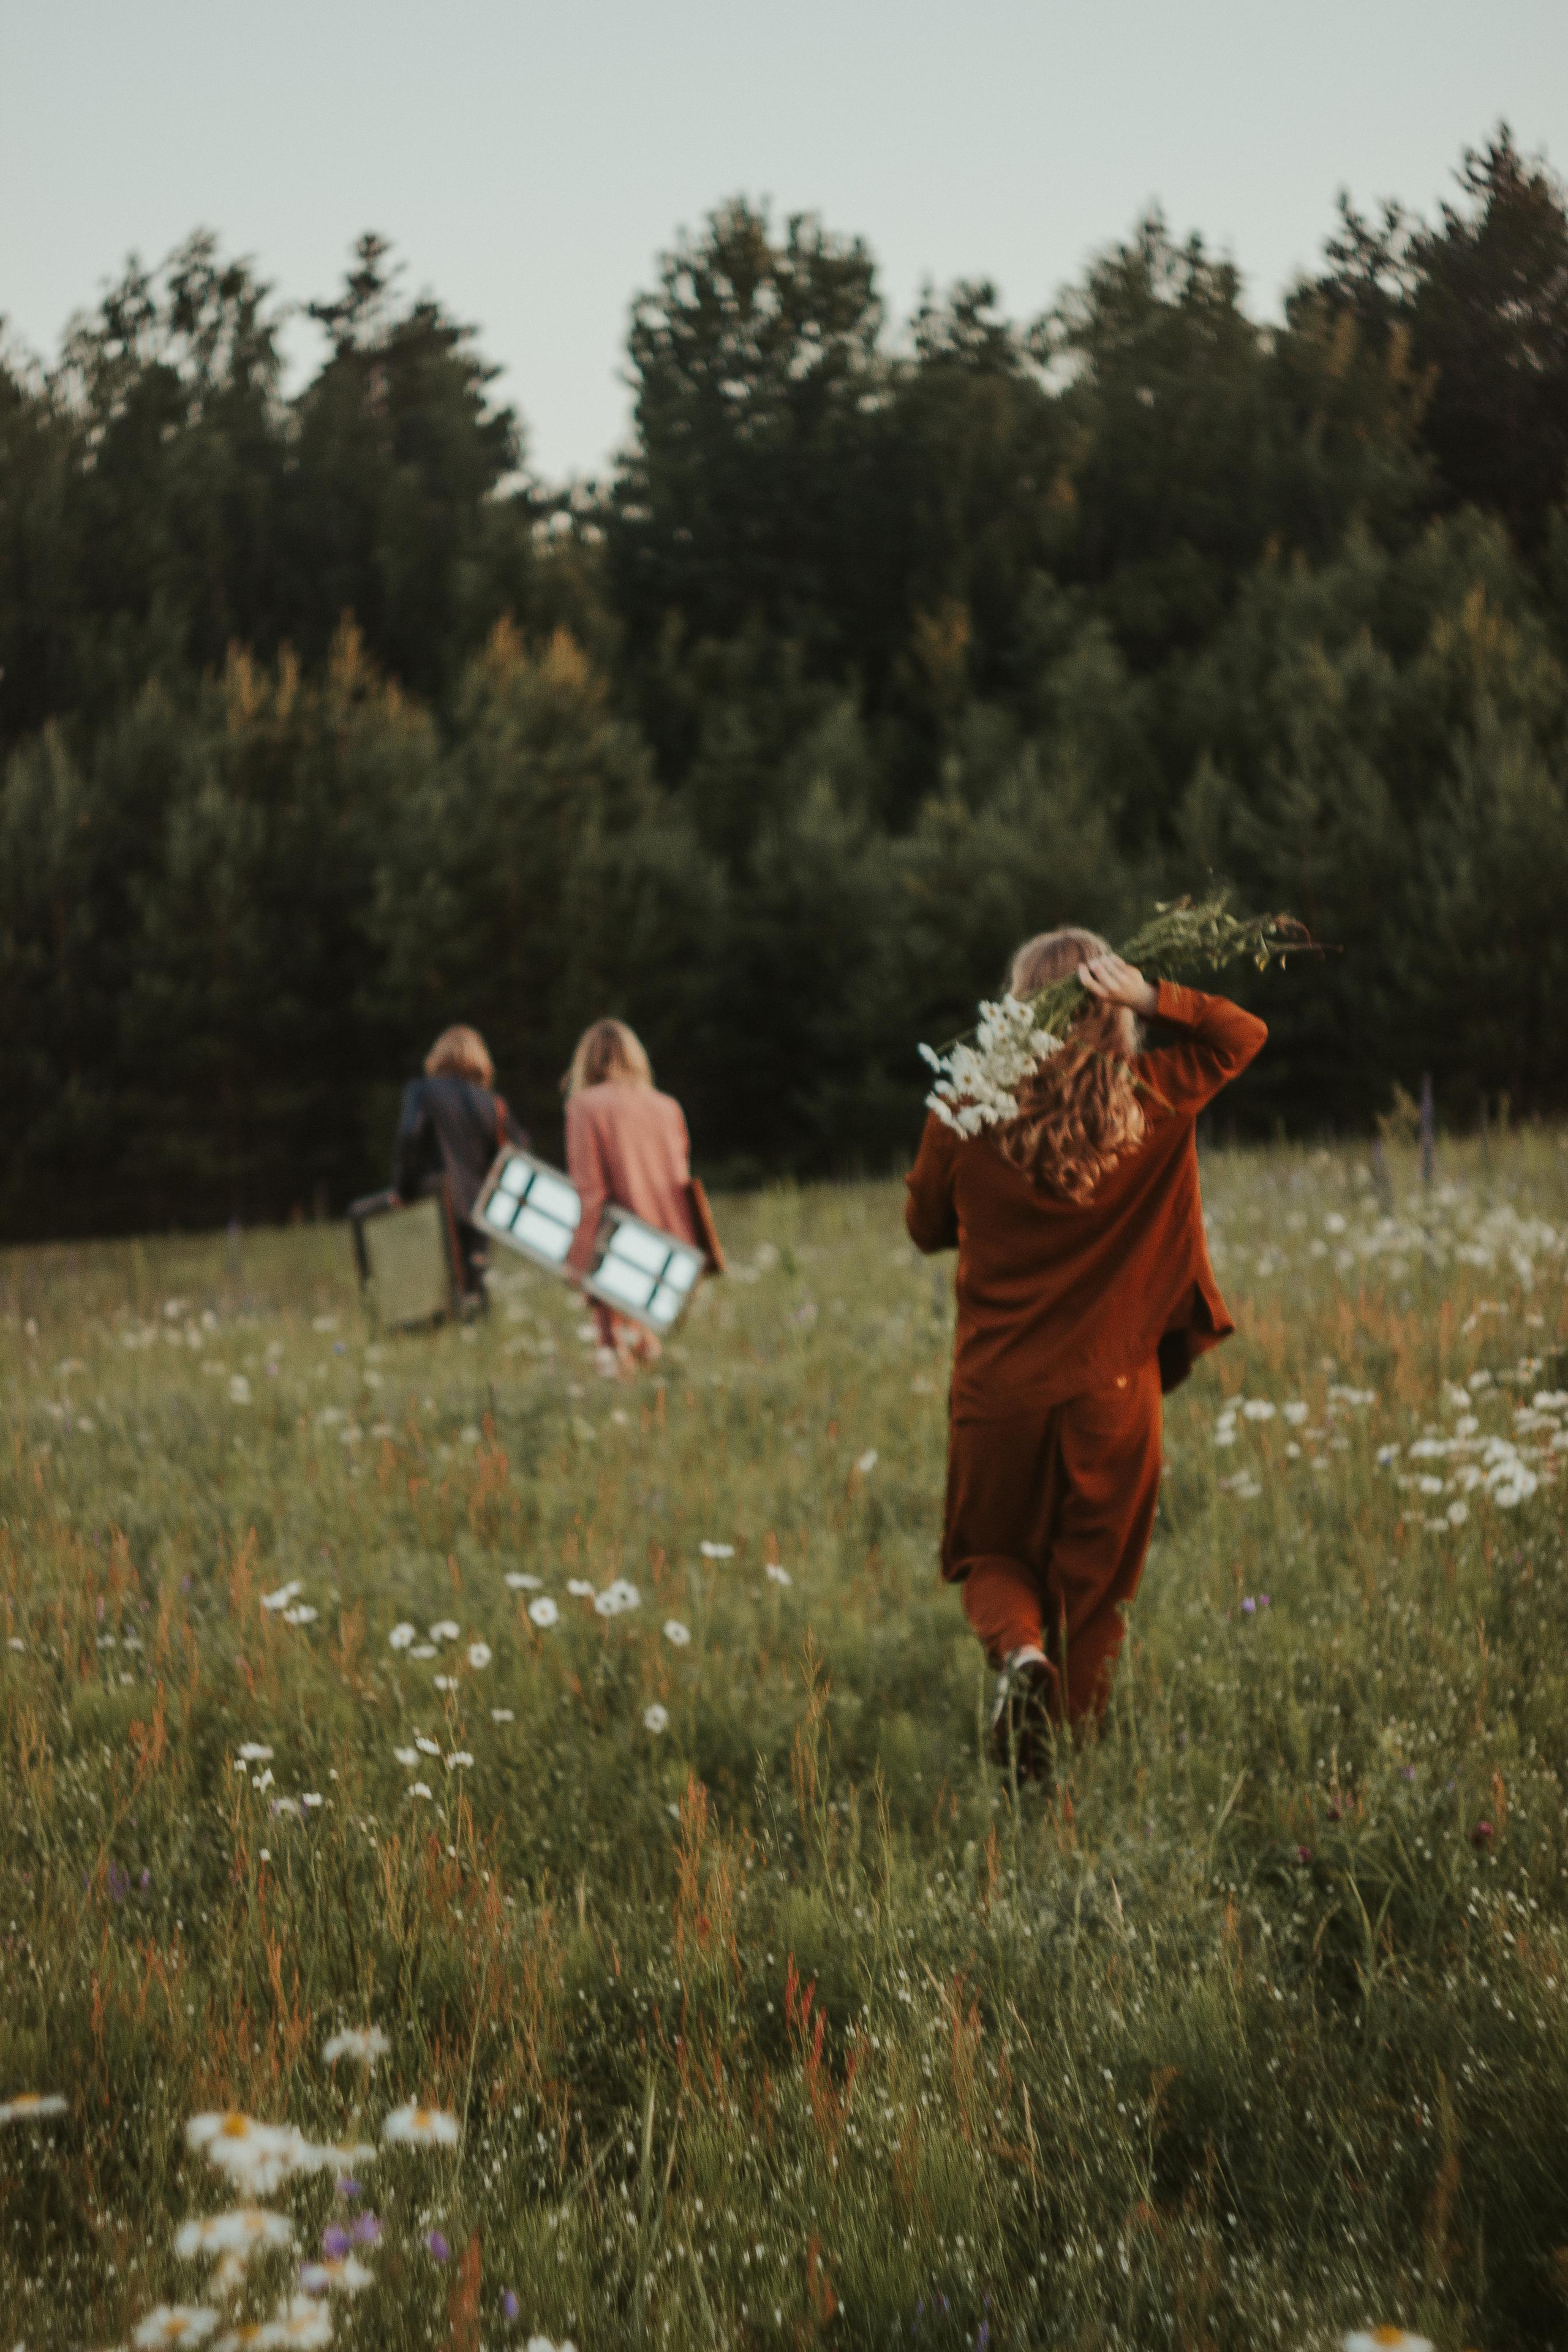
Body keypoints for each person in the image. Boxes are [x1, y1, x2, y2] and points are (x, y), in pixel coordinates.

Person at [904, 929, 1267, 1776]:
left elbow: (925, 1229)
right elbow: (1243, 1032)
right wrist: (1155, 997)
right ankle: (1064, 1769)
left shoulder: (966, 1107)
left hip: (1000, 1392)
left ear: (1018, 1011)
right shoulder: (1156, 1093)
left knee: (991, 1556)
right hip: (1114, 1390)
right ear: (1112, 1009)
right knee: (1097, 1592)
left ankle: (1022, 1658)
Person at [563, 1018, 704, 1376]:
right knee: (640, 1344)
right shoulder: (666, 1105)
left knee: (613, 1352)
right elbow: (681, 1180)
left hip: (618, 1238)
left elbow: (592, 1193)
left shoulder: (584, 1106)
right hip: (669, 1240)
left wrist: (578, 1259)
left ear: (587, 1061)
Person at [393, 1025, 528, 1298]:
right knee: (475, 1287)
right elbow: (520, 1152)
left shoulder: (423, 1092)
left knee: (438, 1289)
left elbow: (409, 1136)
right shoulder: (492, 1103)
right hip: (482, 1206)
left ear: (437, 1058)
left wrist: (404, 1190)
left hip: (435, 1201)